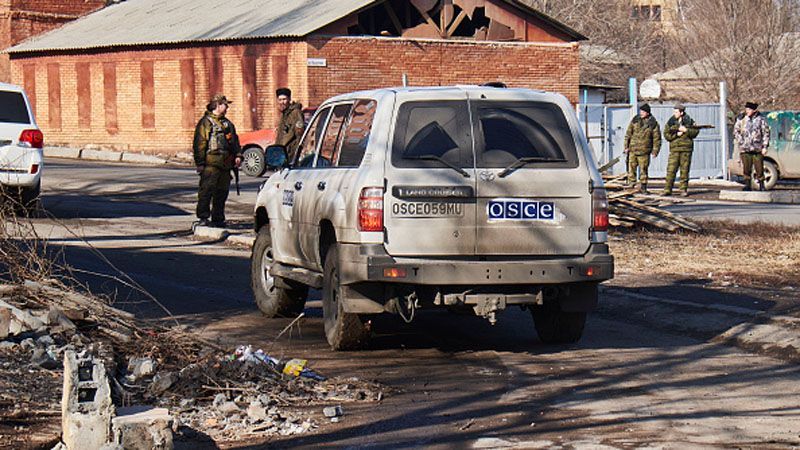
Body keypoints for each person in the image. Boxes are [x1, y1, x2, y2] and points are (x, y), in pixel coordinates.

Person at [193, 94, 241, 228]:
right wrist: (200, 163)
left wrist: (238, 155)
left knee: (222, 192)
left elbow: (234, 142)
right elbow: (200, 144)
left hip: (225, 164)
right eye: (225, 105)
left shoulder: (228, 124)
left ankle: (218, 218)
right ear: (218, 105)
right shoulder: (206, 123)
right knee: (206, 191)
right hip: (211, 164)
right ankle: (203, 217)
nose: (227, 108)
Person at [662, 104, 700, 196]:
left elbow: (695, 132)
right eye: (674, 111)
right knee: (671, 170)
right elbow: (666, 135)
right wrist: (676, 135)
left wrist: (686, 130)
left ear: (681, 112)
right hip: (674, 149)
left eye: (676, 112)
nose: (674, 113)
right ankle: (667, 189)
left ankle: (683, 189)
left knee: (684, 170)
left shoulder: (689, 121)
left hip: (686, 149)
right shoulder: (671, 122)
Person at [624, 103, 661, 194]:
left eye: (643, 111)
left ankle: (643, 186)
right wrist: (626, 147)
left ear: (647, 113)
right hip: (633, 149)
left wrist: (655, 151)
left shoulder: (653, 123)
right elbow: (628, 134)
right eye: (640, 111)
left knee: (643, 169)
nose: (641, 113)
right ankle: (631, 184)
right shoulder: (635, 120)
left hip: (644, 151)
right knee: (631, 168)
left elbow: (657, 138)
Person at [734, 101, 770, 191]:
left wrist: (765, 146)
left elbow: (766, 133)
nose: (747, 111)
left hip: (757, 148)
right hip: (745, 148)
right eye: (746, 109)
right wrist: (741, 141)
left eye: (749, 109)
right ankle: (747, 185)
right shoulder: (742, 119)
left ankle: (761, 185)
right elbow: (736, 131)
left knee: (759, 168)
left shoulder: (760, 119)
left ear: (754, 110)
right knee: (746, 168)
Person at [275, 88, 305, 162]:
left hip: (291, 154)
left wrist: (297, 153)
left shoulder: (295, 113)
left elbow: (299, 134)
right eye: (280, 100)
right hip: (282, 153)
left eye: (284, 99)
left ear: (289, 99)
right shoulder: (284, 114)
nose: (282, 102)